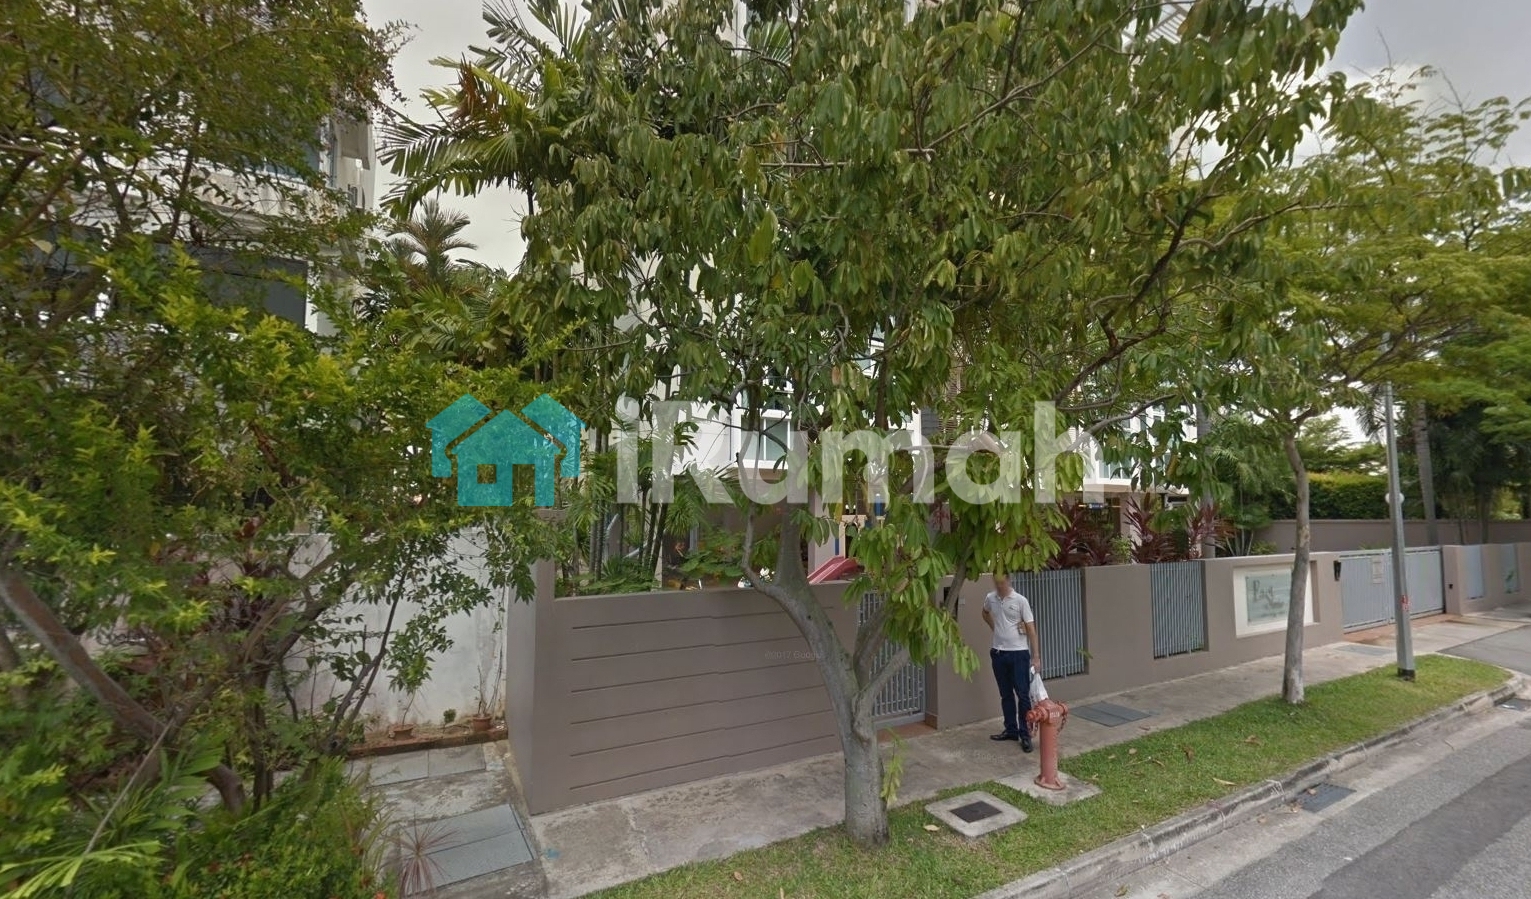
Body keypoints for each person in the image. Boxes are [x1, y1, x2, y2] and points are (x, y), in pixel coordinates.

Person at [982, 571, 1041, 752]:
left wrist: (1036, 657)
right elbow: (985, 613)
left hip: (1018, 654)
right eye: (996, 582)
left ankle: (1025, 734)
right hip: (999, 653)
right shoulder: (990, 598)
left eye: (1002, 582)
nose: (999, 586)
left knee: (1022, 695)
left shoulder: (1020, 601)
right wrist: (995, 628)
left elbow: (1031, 629)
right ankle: (1011, 729)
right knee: (1005, 694)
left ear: (1008, 580)